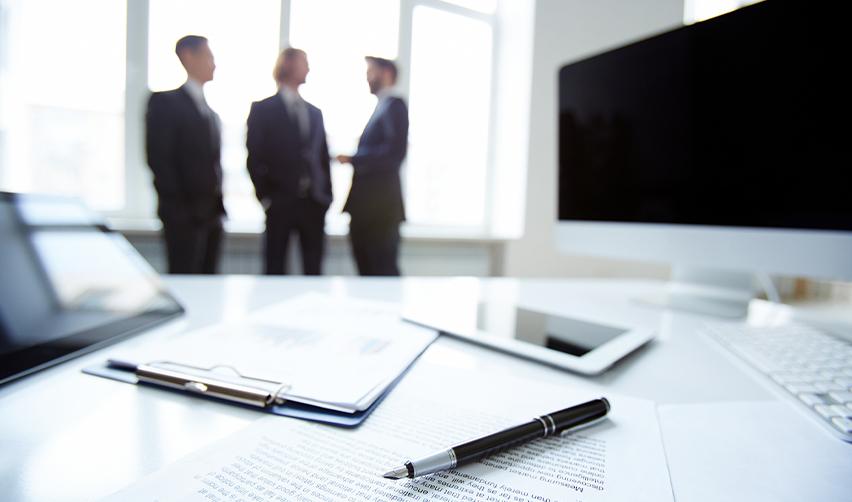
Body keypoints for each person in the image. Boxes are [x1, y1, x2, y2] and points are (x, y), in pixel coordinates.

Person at [246, 48, 332, 275]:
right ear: (289, 65)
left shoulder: (315, 113)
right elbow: (254, 157)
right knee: (275, 265)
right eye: (305, 63)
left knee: (314, 268)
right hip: (280, 201)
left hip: (313, 203)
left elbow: (322, 157)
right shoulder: (263, 109)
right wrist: (266, 197)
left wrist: (326, 197)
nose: (309, 69)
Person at [145, 35, 225, 274]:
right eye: (208, 56)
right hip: (183, 215)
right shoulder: (165, 102)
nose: (213, 64)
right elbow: (159, 159)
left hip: (212, 215)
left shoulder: (210, 112)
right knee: (185, 276)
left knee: (209, 284)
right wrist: (179, 209)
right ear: (188, 56)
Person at [336, 56, 408, 276]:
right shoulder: (381, 107)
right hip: (367, 209)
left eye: (371, 72)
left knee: (382, 270)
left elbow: (394, 153)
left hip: (380, 210)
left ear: (386, 73)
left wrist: (355, 158)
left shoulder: (394, 105)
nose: (367, 78)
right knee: (367, 270)